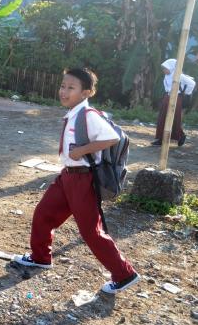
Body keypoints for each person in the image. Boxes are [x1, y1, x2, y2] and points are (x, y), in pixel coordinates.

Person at [12, 68, 139, 294]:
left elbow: (112, 137)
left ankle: (124, 274)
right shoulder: (74, 112)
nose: (64, 91)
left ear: (86, 92)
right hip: (67, 177)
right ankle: (40, 257)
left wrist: (82, 151)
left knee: (91, 231)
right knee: (44, 213)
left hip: (83, 180)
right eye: (63, 86)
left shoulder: (88, 115)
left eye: (71, 88)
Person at [151, 58, 195, 146]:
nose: (164, 70)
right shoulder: (167, 76)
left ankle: (180, 136)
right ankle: (160, 139)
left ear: (171, 67)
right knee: (162, 118)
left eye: (165, 68)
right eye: (163, 68)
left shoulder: (178, 75)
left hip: (176, 98)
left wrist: (185, 92)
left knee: (174, 119)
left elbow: (192, 83)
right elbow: (167, 88)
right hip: (167, 97)